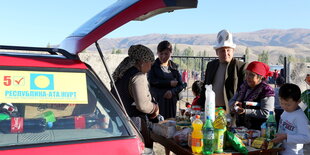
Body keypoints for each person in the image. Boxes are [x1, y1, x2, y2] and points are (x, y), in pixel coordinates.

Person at [111, 44, 159, 153]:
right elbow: (143, 105)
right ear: (142, 62)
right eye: (150, 63)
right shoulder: (138, 76)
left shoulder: (122, 74)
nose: (150, 67)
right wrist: (155, 108)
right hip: (133, 123)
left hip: (119, 121)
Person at [198, 29, 247, 113]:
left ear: (233, 51)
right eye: (222, 50)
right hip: (211, 109)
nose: (225, 53)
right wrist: (200, 105)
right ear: (217, 52)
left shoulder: (240, 66)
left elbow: (244, 90)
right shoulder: (211, 65)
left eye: (228, 50)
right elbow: (205, 86)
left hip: (230, 110)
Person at [229, 61, 275, 130]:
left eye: (251, 75)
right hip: (241, 129)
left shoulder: (266, 90)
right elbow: (232, 100)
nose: (247, 77)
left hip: (259, 131)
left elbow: (266, 113)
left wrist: (245, 111)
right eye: (246, 74)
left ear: (260, 77)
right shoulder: (244, 86)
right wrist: (234, 105)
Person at [148, 40, 186, 120]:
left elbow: (180, 85)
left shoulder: (174, 67)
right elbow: (151, 82)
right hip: (158, 102)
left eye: (166, 54)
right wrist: (168, 84)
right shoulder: (152, 67)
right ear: (157, 53)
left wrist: (172, 92)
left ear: (170, 53)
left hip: (171, 102)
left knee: (171, 123)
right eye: (161, 53)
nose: (163, 56)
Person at [271, 83, 310, 155]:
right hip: (281, 150)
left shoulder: (300, 117)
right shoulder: (286, 112)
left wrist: (286, 137)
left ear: (298, 101)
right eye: (282, 103)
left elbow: (307, 138)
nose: (284, 107)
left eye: (288, 104)